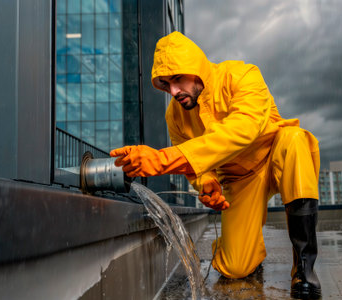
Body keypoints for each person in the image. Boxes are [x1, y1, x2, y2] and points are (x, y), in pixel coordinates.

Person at [110, 31, 321, 299]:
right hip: (240, 179)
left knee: (295, 140)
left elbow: (243, 129)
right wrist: (208, 183)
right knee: (234, 268)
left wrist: (163, 159)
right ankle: (247, 251)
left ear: (195, 68)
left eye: (177, 79)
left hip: (274, 151)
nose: (173, 91)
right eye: (165, 84)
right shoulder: (174, 116)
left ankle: (304, 270)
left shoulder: (241, 76)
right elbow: (197, 168)